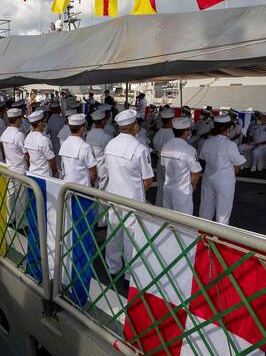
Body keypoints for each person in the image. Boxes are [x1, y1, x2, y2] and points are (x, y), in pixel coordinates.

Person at [104, 109, 153, 274]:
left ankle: (113, 267)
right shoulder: (139, 148)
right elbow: (147, 180)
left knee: (113, 233)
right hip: (132, 200)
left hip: (113, 196)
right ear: (135, 126)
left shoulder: (111, 144)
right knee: (131, 236)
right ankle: (130, 275)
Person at [199, 115, 247, 225]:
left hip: (208, 178)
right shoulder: (230, 144)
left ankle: (202, 233)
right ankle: (218, 237)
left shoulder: (207, 142)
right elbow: (238, 165)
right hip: (224, 181)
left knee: (205, 207)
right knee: (223, 211)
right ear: (229, 128)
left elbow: (203, 159)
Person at [160, 117, 202, 215]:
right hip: (183, 192)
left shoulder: (166, 146)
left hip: (168, 189)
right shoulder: (189, 149)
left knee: (169, 220)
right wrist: (193, 186)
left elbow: (164, 166)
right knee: (184, 222)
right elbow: (195, 173)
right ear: (187, 132)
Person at [59, 114, 97, 186]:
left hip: (68, 185)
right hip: (82, 189)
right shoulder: (85, 147)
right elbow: (93, 172)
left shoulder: (64, 144)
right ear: (82, 128)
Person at [24, 110, 57, 177]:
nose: (45, 124)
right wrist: (54, 172)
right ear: (40, 123)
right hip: (44, 175)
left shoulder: (28, 137)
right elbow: (51, 160)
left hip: (32, 173)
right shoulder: (43, 139)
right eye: (43, 122)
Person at [86, 109, 111, 189]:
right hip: (102, 170)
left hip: (91, 167)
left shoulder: (89, 134)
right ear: (103, 121)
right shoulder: (105, 137)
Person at [0, 108, 28, 173]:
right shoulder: (19, 135)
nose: (21, 121)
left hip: (10, 169)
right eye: (21, 119)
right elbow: (26, 154)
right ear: (17, 120)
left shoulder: (4, 133)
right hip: (21, 170)